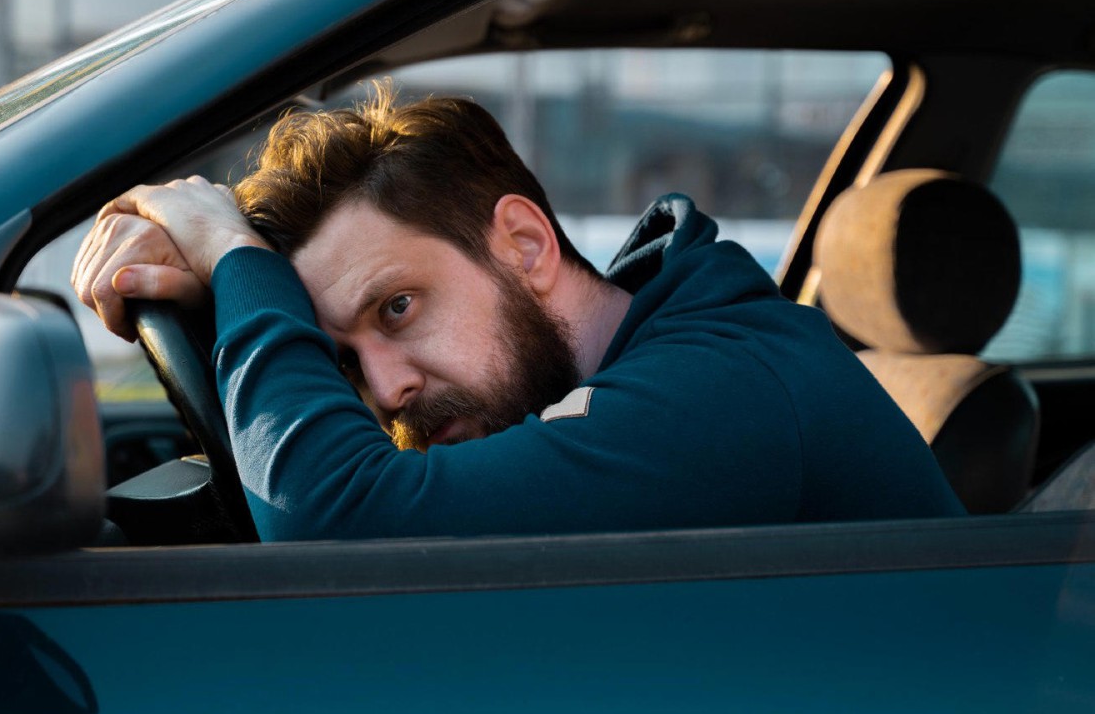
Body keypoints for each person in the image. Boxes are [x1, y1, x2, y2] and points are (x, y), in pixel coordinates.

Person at [72, 90, 965, 541]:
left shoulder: (725, 391)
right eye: (343, 359)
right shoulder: (649, 359)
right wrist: (228, 292)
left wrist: (233, 255)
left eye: (398, 307)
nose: (386, 388)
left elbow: (339, 527)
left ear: (526, 246)